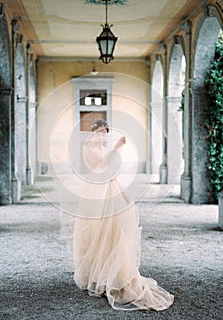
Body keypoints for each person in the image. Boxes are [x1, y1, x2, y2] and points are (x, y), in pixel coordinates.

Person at [73, 118, 174, 311]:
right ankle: (98, 274)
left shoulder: (101, 146)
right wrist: (117, 147)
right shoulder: (89, 147)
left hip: (109, 185)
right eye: (100, 132)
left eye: (105, 133)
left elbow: (110, 169)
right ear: (93, 132)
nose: (103, 136)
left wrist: (122, 190)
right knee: (99, 230)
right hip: (97, 189)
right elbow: (101, 164)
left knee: (114, 228)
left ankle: (113, 271)